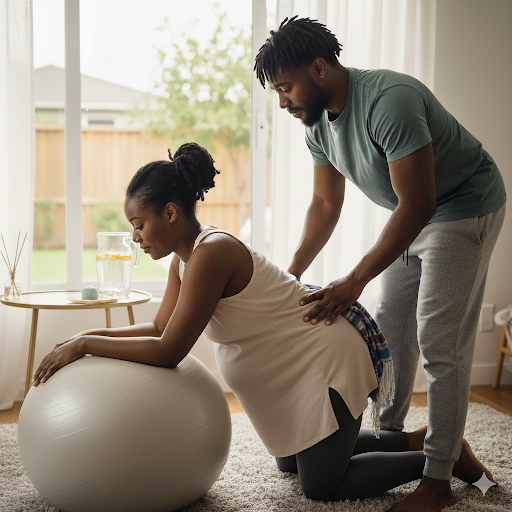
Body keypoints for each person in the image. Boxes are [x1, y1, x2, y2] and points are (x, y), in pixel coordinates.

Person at [32, 143, 492, 505]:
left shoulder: (212, 253)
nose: (135, 238)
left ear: (170, 213)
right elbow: (157, 328)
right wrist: (84, 340)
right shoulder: (184, 259)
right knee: (291, 466)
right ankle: (419, 438)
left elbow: (171, 350)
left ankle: (439, 461)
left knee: (321, 487)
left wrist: (89, 343)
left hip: (322, 358)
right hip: (293, 370)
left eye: (139, 225)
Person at [254, 16, 506, 512]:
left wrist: (354, 279)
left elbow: (419, 203)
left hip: (462, 204)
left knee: (440, 341)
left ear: (320, 68)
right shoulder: (318, 126)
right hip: (411, 212)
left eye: (286, 87)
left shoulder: (390, 100)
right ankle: (391, 442)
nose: (282, 102)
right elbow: (326, 206)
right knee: (388, 334)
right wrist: (291, 275)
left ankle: (438, 481)